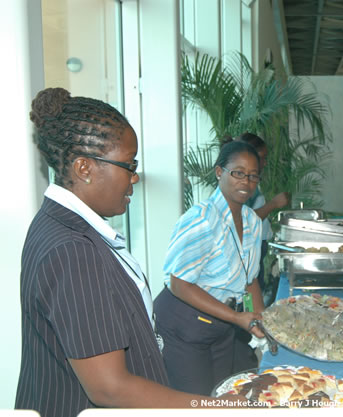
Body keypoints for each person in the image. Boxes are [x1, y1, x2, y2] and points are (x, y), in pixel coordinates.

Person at [16, 88, 239, 417]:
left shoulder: (61, 223)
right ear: (84, 168)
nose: (134, 177)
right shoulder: (72, 250)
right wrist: (213, 407)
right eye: (128, 165)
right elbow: (110, 387)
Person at [153, 140, 266, 396]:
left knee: (221, 398)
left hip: (222, 324)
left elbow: (250, 280)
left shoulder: (252, 221)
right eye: (237, 173)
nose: (245, 182)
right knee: (195, 404)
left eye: (252, 176)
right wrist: (238, 318)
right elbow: (178, 284)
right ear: (219, 172)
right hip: (184, 325)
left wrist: (260, 320)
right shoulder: (200, 219)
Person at [235, 133, 290, 304]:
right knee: (249, 295)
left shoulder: (252, 183)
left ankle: (251, 318)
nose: (265, 163)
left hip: (257, 246)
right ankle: (247, 320)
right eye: (262, 158)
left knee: (255, 287)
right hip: (248, 249)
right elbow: (243, 220)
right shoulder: (241, 186)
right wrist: (274, 203)